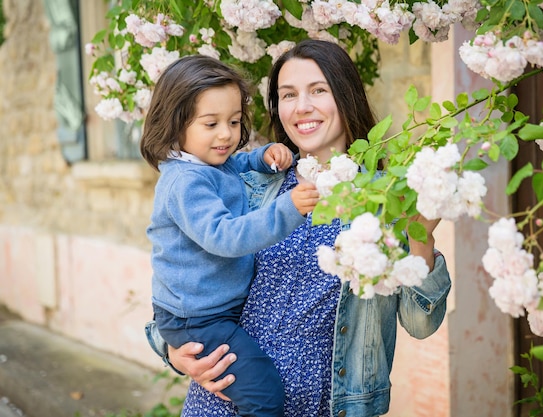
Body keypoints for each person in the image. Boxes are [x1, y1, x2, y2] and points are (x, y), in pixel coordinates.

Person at [148, 40, 452, 417]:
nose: (302, 106)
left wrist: (420, 233)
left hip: (326, 405)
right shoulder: (250, 185)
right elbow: (183, 280)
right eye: (288, 95)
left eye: (318, 90)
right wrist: (175, 351)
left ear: (346, 96)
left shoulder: (385, 198)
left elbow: (421, 323)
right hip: (225, 400)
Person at [140, 54, 319, 417]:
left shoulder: (206, 164)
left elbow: (235, 163)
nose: (227, 134)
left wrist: (261, 157)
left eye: (234, 121)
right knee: (264, 394)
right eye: (211, 124)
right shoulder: (185, 181)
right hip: (198, 319)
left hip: (209, 312)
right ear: (175, 126)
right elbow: (224, 236)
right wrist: (289, 208)